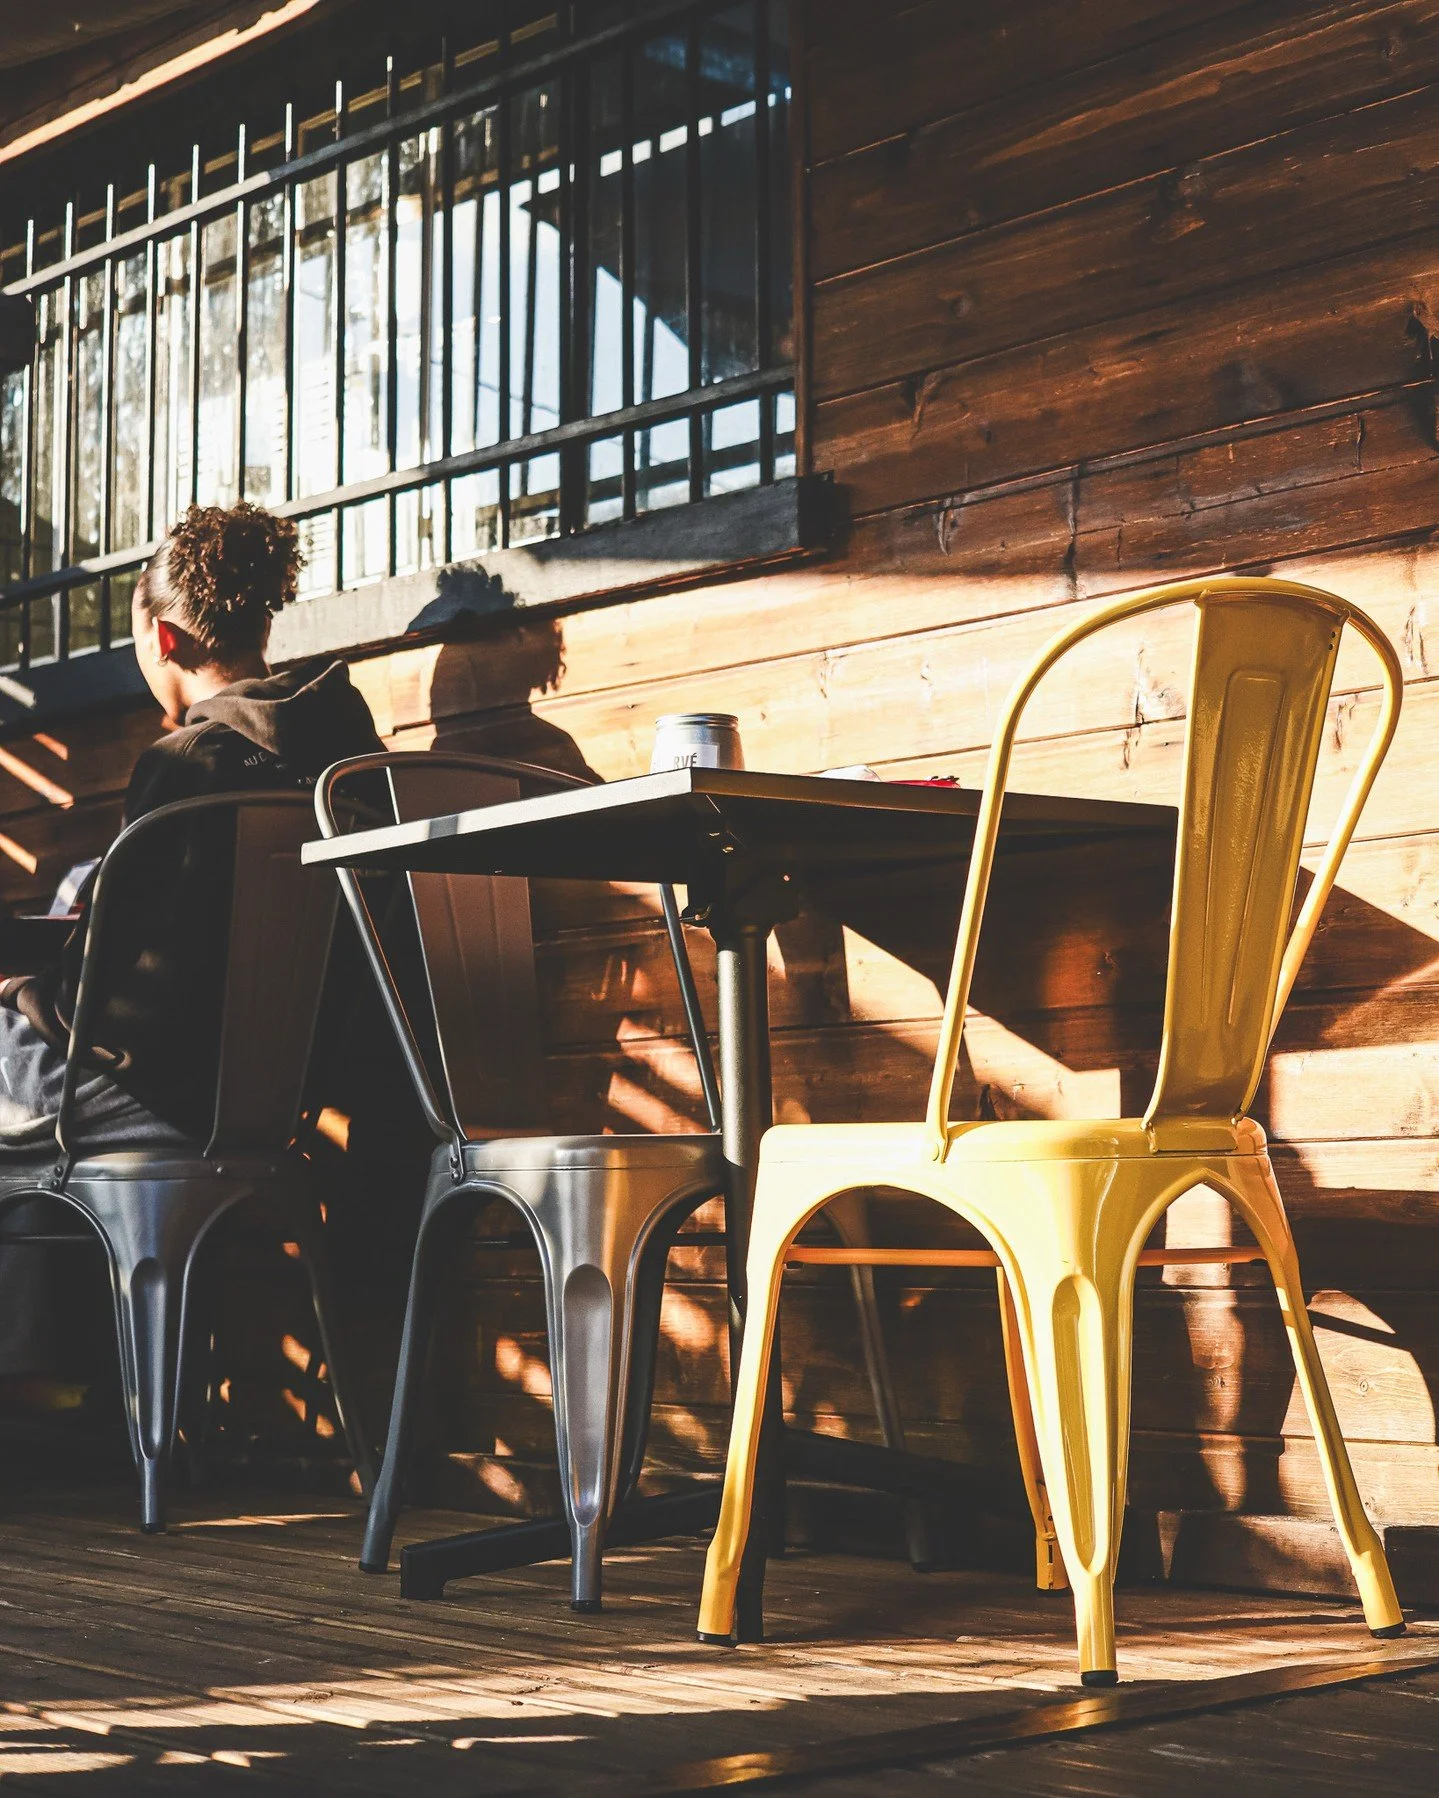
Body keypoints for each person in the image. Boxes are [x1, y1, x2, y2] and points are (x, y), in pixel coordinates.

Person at [0, 504, 385, 1388]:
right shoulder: (347, 756)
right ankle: (60, 1375)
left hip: (163, 1090)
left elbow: (109, 1010)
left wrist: (20, 989)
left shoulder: (186, 766)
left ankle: (46, 1382)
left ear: (163, 637)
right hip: (290, 1089)